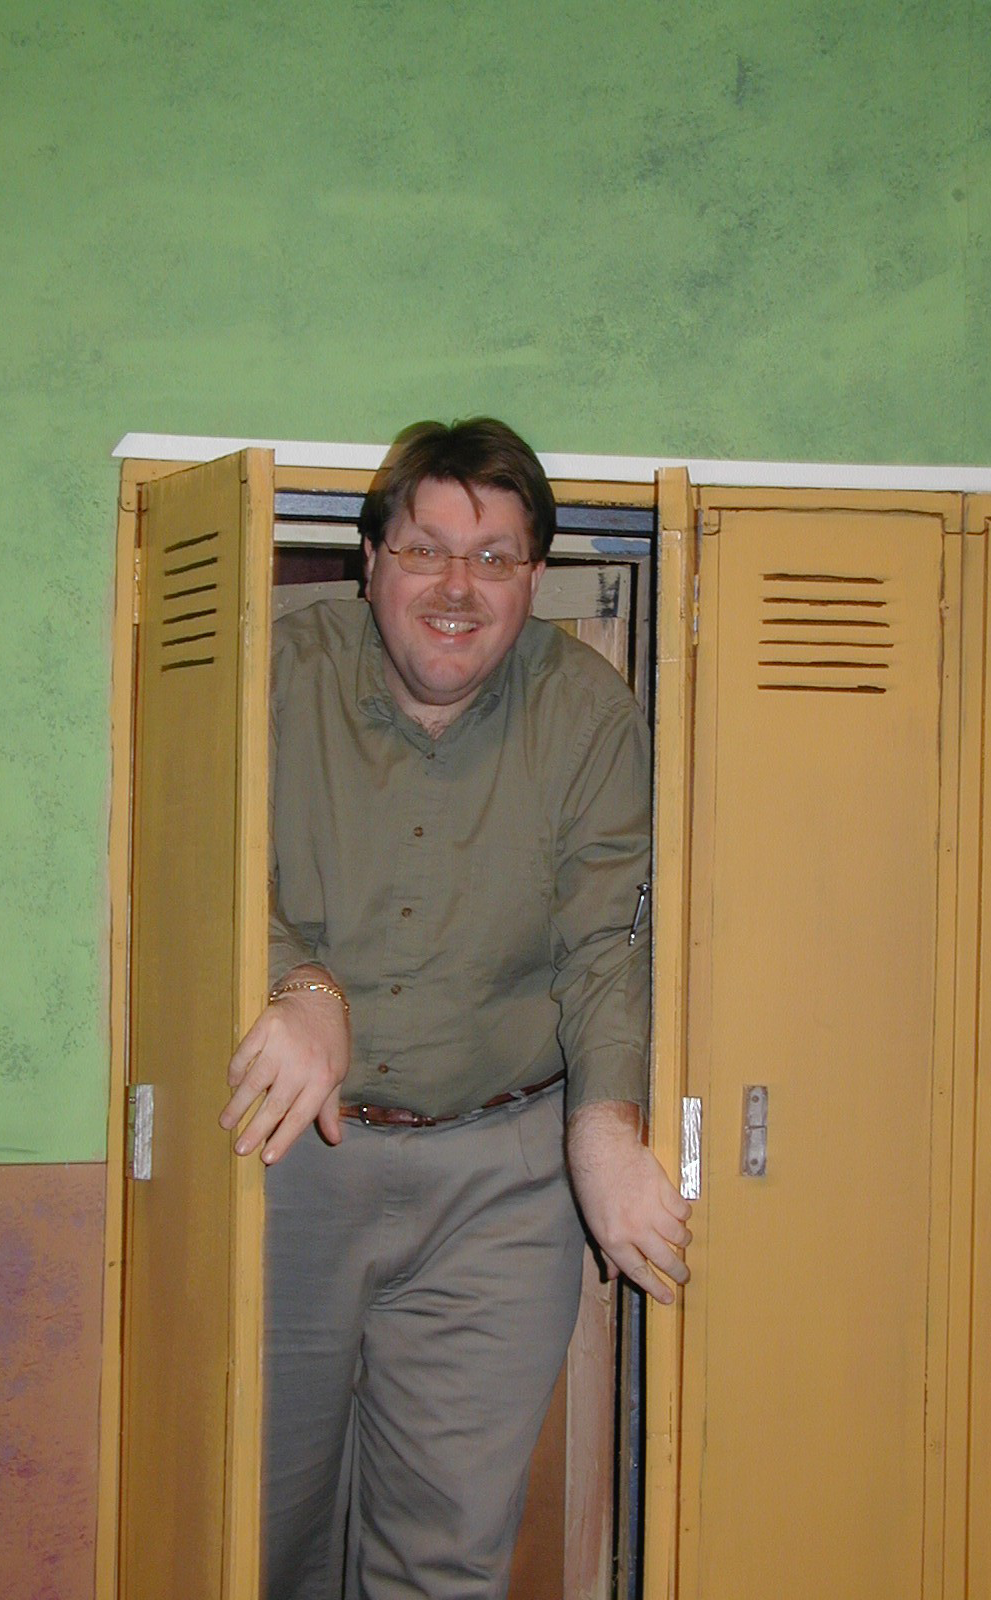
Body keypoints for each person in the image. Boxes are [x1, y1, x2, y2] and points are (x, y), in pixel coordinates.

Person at [219, 417, 692, 1600]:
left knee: (446, 1551)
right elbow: (186, 860)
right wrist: (302, 983)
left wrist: (605, 1129)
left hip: (501, 1185)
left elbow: (606, 942)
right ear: (369, 557)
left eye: (493, 557)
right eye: (426, 549)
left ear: (533, 577)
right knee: (259, 1528)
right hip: (285, 1163)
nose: (456, 588)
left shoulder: (589, 714)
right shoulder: (268, 674)